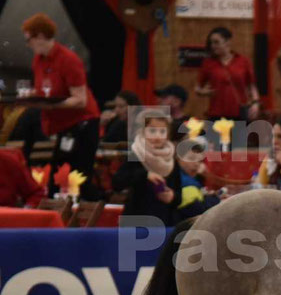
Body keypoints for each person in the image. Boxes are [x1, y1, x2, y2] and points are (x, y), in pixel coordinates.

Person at [22, 13, 103, 200]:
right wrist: (33, 96)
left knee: (75, 176)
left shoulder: (68, 59)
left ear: (41, 36)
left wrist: (52, 106)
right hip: (63, 126)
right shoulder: (39, 60)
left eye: (29, 40)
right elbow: (44, 89)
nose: (28, 45)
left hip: (83, 123)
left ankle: (82, 212)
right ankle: (61, 214)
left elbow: (80, 100)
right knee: (59, 174)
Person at [113, 112, 186, 226]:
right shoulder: (136, 155)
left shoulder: (171, 159)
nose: (157, 136)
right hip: (137, 220)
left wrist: (172, 197)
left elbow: (179, 194)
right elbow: (117, 182)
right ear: (143, 131)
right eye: (152, 131)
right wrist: (145, 175)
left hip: (164, 221)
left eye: (162, 131)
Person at [195, 27, 259, 122]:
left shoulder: (243, 61)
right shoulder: (208, 63)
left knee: (239, 137)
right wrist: (205, 92)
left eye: (216, 42)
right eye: (211, 43)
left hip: (239, 114)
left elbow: (251, 86)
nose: (213, 46)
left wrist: (255, 103)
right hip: (216, 114)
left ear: (227, 42)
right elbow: (198, 88)